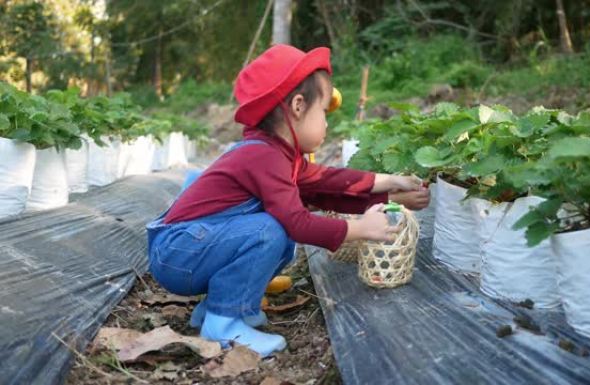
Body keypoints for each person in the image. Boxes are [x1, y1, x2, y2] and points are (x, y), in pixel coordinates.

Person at [146, 44, 430, 357]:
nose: (326, 123)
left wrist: (389, 186)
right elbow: (296, 222)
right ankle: (222, 325)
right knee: (272, 230)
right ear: (297, 106)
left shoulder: (276, 154)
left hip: (190, 248)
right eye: (323, 112)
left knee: (277, 237)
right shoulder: (263, 156)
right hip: (177, 252)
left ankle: (222, 309)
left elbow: (325, 185)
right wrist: (359, 229)